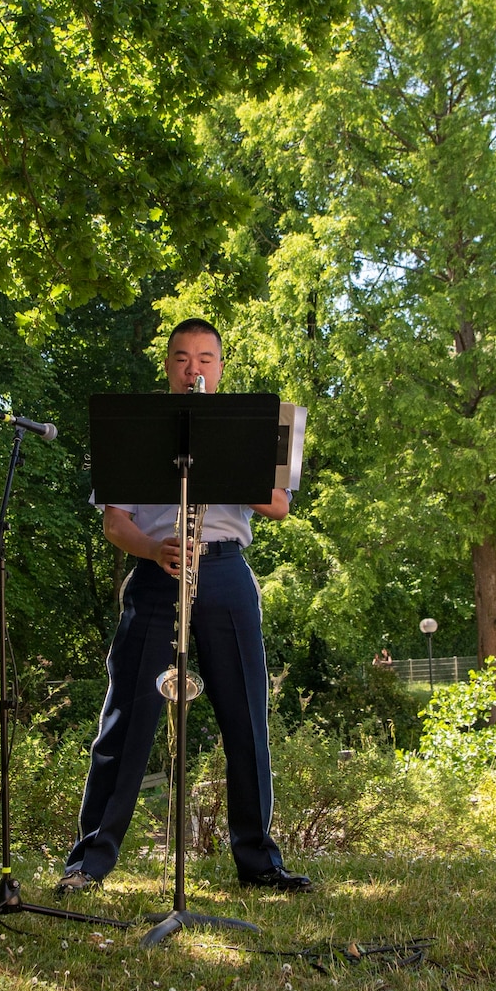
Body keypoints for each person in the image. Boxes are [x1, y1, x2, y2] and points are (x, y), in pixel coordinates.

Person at [57, 318, 311, 894]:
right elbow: (114, 523)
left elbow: (278, 506)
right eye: (180, 358)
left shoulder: (257, 424)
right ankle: (90, 861)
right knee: (126, 717)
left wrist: (219, 461)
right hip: (156, 571)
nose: (192, 369)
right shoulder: (134, 428)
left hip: (224, 571)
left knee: (246, 716)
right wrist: (153, 549)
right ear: (167, 366)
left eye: (204, 358)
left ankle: (258, 863)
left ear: (221, 367)